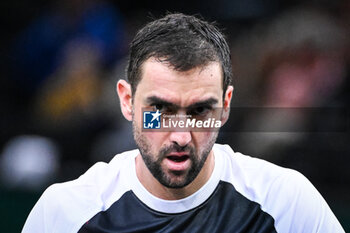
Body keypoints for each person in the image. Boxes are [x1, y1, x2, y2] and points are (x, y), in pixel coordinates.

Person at [22, 13, 344, 233]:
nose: (180, 135)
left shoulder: (286, 202)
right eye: (159, 109)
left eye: (200, 111)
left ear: (226, 106)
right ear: (127, 101)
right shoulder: (64, 212)